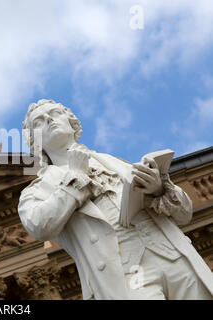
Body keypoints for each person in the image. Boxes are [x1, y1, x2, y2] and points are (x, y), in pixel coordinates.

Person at [18, 99, 213, 299]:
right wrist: (75, 178)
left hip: (174, 257)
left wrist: (158, 189)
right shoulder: (39, 189)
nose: (50, 119)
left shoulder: (113, 161)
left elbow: (185, 215)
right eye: (39, 121)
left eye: (55, 113)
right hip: (125, 276)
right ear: (35, 140)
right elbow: (38, 225)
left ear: (71, 121)